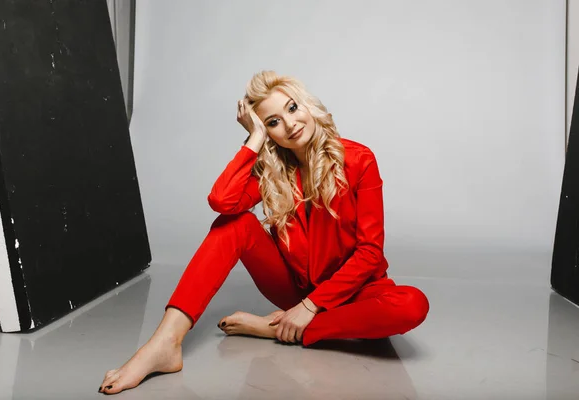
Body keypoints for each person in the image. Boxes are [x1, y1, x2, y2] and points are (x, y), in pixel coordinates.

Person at [98, 71, 429, 395]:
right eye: (272, 122)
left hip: (352, 291)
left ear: (307, 106)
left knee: (411, 304)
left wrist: (312, 307)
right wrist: (254, 140)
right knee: (234, 224)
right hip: (294, 289)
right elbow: (222, 201)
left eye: (292, 108)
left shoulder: (359, 159)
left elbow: (370, 252)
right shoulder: (273, 170)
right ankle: (165, 342)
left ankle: (277, 329)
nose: (289, 123)